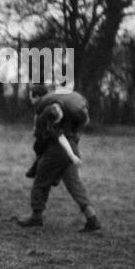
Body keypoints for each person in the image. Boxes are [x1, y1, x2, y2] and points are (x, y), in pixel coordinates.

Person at [17, 83, 101, 232]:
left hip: (57, 149)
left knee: (41, 181)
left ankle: (36, 215)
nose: (30, 100)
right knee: (75, 185)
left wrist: (70, 154)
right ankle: (92, 218)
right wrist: (73, 153)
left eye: (31, 96)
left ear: (37, 97)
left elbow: (58, 134)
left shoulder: (50, 109)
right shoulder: (67, 107)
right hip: (71, 147)